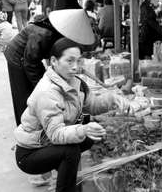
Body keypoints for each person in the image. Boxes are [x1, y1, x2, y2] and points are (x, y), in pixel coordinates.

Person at [14, 37, 126, 192]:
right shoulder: (47, 92)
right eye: (69, 61)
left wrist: (113, 99)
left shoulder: (74, 81)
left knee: (88, 138)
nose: (75, 67)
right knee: (70, 151)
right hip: (30, 152)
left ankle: (66, 176)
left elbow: (92, 105)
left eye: (78, 61)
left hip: (48, 143)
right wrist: (83, 129)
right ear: (54, 61)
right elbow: (55, 134)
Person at [4, 9, 97, 126]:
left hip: (31, 57)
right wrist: (44, 86)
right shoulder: (42, 34)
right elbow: (31, 64)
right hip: (18, 58)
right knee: (25, 95)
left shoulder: (61, 32)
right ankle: (27, 128)